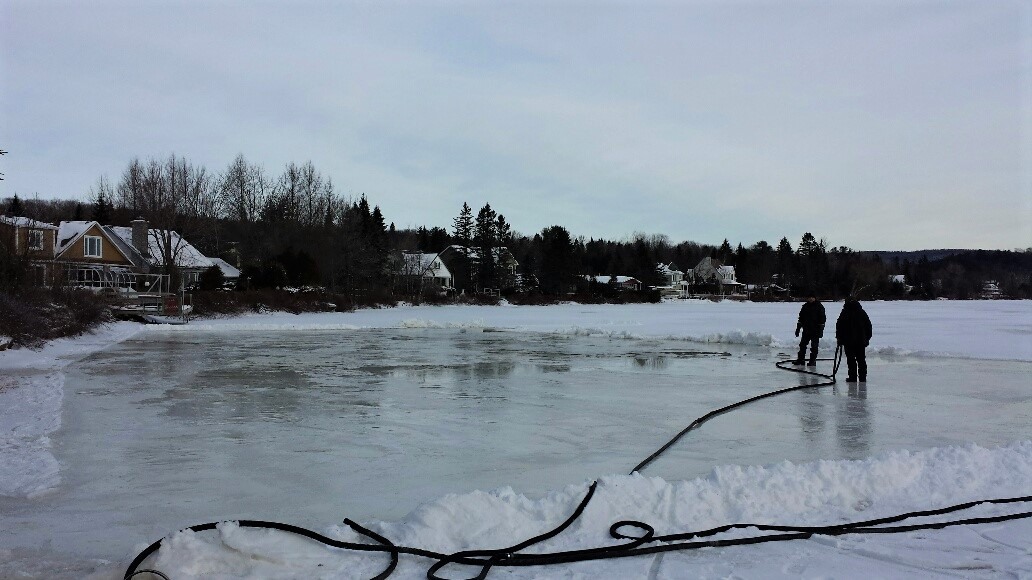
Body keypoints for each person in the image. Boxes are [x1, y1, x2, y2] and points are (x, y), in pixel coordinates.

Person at [836, 297, 873, 382]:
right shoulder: (861, 312)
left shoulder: (845, 312)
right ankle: (862, 377)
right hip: (858, 341)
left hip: (849, 341)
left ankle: (853, 377)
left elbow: (839, 327)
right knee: (860, 359)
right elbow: (868, 327)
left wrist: (839, 338)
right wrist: (866, 338)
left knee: (851, 360)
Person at [794, 291, 826, 366]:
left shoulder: (819, 306)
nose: (811, 299)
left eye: (812, 297)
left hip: (815, 330)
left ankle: (812, 361)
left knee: (814, 347)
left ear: (814, 298)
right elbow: (801, 318)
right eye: (809, 297)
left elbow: (822, 319)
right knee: (802, 345)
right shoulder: (805, 306)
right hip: (806, 330)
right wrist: (798, 329)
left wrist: (820, 330)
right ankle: (801, 359)